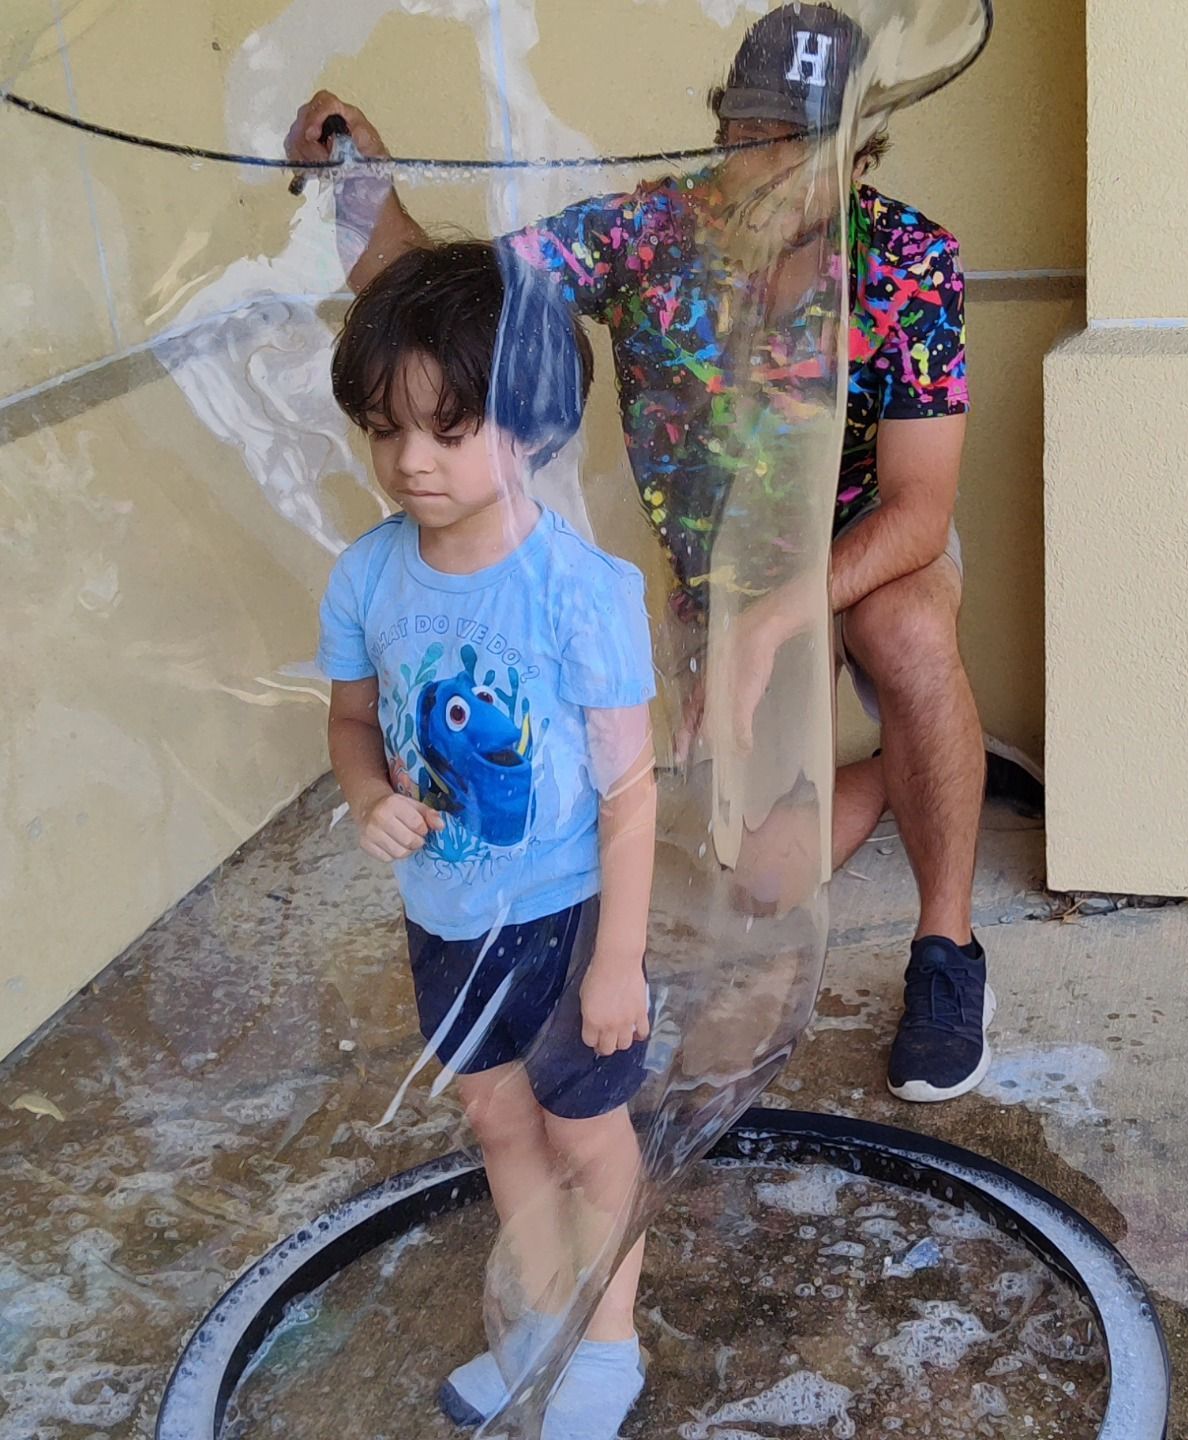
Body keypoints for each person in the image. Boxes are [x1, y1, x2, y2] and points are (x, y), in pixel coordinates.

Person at [291, 2, 994, 1105]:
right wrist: (361, 184)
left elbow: (918, 506)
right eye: (749, 132)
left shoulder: (912, 260)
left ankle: (948, 951)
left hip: (866, 555)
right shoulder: (652, 235)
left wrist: (771, 627)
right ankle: (902, 777)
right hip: (713, 585)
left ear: (861, 149)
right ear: (720, 131)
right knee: (761, 884)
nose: (765, 164)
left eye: (800, 142)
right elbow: (451, 305)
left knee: (905, 631)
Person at [316, 239, 657, 1436]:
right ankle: (542, 1324)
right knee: (500, 1121)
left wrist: (618, 959)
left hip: (565, 920)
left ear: (531, 425)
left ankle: (608, 1348)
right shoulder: (368, 578)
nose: (411, 461)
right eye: (386, 428)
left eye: (449, 429)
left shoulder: (581, 589)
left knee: (585, 1127)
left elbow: (629, 791)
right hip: (448, 921)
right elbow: (352, 721)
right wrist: (366, 794)